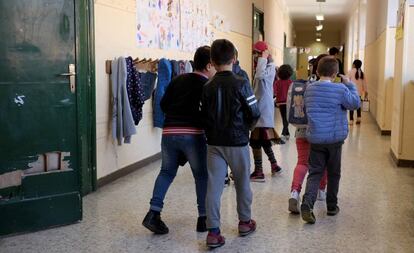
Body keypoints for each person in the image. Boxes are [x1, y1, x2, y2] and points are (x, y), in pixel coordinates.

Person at [142, 46, 216, 234]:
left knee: (166, 172)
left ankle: (153, 213)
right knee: (201, 175)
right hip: (193, 134)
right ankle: (203, 218)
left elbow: (164, 104)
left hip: (169, 133)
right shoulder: (207, 85)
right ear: (209, 65)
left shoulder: (178, 80)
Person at [202, 39, 260, 248]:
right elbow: (254, 112)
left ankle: (213, 232)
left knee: (214, 187)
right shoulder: (241, 83)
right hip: (237, 142)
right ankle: (244, 222)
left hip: (214, 144)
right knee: (243, 182)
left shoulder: (207, 86)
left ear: (212, 61)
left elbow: (203, 116)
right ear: (234, 59)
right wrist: (247, 128)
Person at [300, 56, 360, 224]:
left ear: (317, 71)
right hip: (334, 140)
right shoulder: (340, 89)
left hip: (316, 139)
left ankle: (307, 203)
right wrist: (349, 83)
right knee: (334, 173)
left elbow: (306, 109)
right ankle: (332, 206)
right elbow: (355, 103)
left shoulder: (309, 89)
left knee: (315, 173)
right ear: (335, 74)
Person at [286, 55, 328, 214]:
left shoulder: (305, 85)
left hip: (302, 130)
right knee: (322, 164)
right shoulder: (328, 88)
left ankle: (294, 192)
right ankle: (321, 191)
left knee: (302, 162)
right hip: (321, 132)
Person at [249, 41, 282, 182]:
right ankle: (274, 165)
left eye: (257, 53)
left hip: (262, 109)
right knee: (264, 140)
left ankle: (259, 172)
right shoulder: (263, 66)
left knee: (256, 141)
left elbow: (259, 76)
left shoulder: (268, 66)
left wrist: (263, 57)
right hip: (261, 108)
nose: (255, 56)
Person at [225, 47, 251, 187]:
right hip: (239, 123)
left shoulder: (217, 76)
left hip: (221, 124)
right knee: (240, 154)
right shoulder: (242, 74)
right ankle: (237, 174)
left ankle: (225, 175)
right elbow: (249, 100)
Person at [274, 64, 294, 139]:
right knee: (287, 118)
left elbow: (275, 92)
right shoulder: (291, 82)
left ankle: (286, 133)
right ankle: (285, 132)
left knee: (284, 118)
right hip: (288, 102)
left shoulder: (277, 82)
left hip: (280, 103)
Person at [348, 59, 368, 125]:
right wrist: (366, 92)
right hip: (359, 92)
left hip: (352, 92)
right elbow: (365, 84)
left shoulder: (350, 72)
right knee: (358, 105)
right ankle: (359, 118)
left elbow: (347, 82)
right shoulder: (362, 73)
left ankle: (351, 120)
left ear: (354, 64)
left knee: (351, 105)